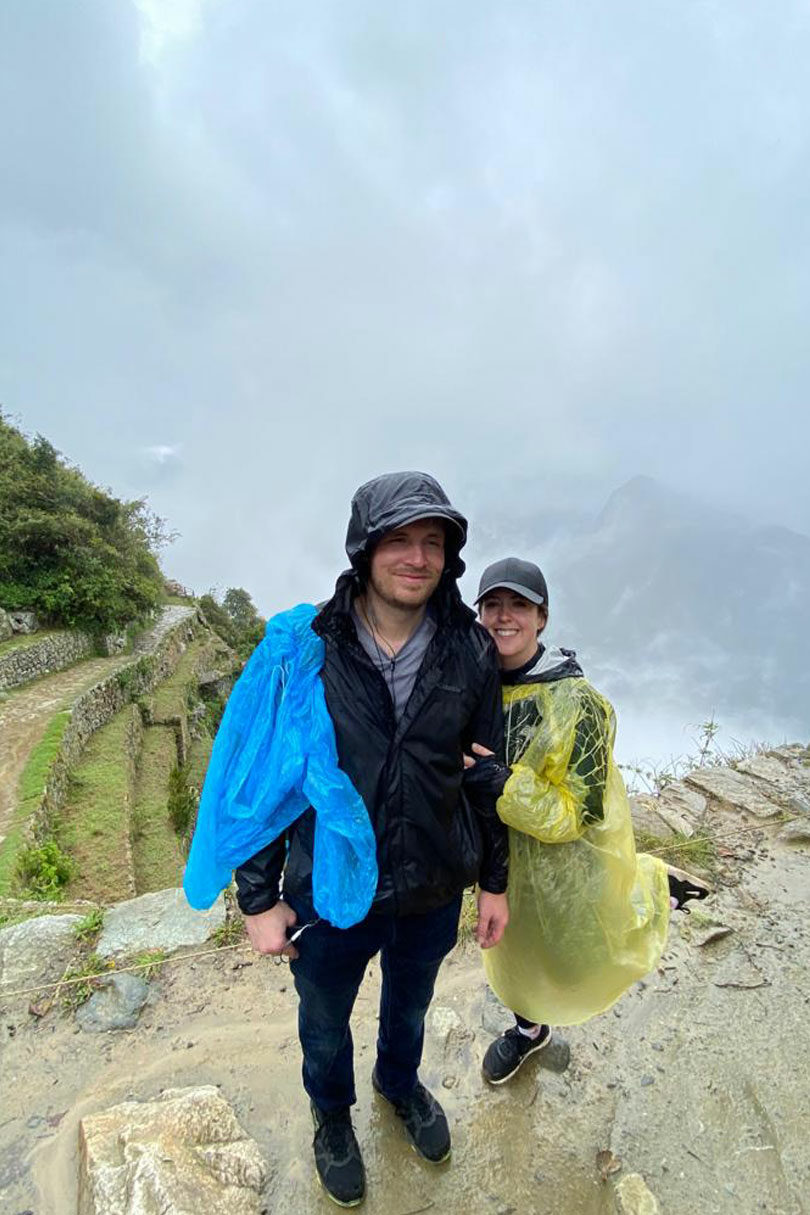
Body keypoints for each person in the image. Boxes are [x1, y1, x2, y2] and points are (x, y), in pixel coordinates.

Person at [234, 472, 509, 1207]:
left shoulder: (470, 651)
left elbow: (487, 776)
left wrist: (494, 881)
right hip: (327, 885)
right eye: (400, 540)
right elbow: (266, 784)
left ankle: (398, 1085)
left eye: (433, 542)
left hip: (429, 881)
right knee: (323, 1020)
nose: (418, 557)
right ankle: (331, 1116)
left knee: (411, 1004)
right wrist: (257, 899)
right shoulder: (311, 649)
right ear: (364, 547)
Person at [470, 556, 680, 1086]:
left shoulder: (579, 704)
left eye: (519, 604)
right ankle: (529, 1030)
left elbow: (577, 813)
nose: (504, 616)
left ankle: (658, 889)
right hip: (500, 866)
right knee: (515, 956)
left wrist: (502, 784)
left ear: (543, 617)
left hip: (564, 867)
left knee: (568, 954)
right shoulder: (473, 686)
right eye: (492, 604)